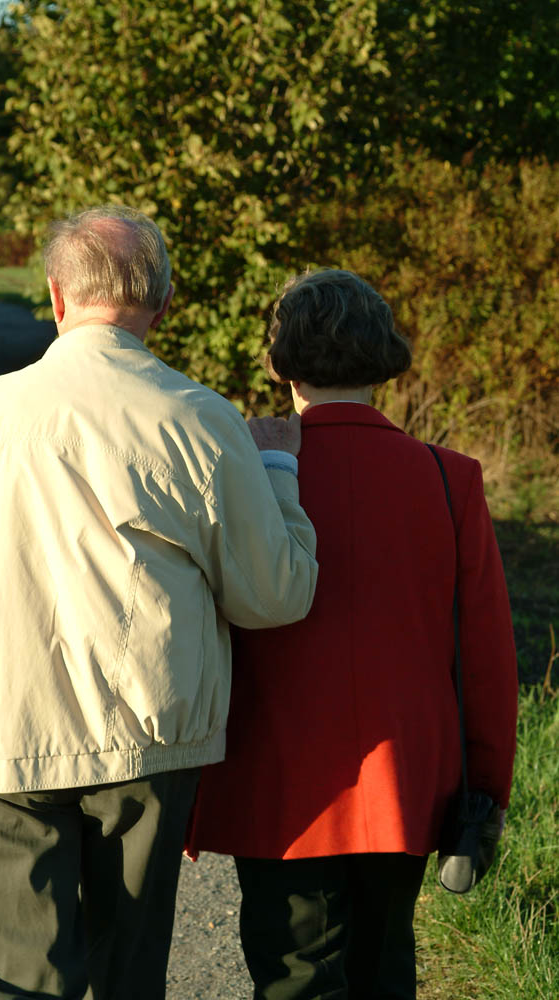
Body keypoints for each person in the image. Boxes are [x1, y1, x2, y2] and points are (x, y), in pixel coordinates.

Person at [0, 205, 319, 1000]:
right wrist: (280, 476)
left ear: (55, 298)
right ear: (161, 304)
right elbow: (274, 597)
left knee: (9, 985)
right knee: (128, 974)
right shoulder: (202, 421)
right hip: (145, 745)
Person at [187, 268, 518, 1000]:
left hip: (272, 774)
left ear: (278, 364)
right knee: (384, 966)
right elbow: (488, 658)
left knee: (292, 977)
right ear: (386, 358)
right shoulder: (446, 477)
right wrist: (487, 788)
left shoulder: (242, 472)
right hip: (403, 776)